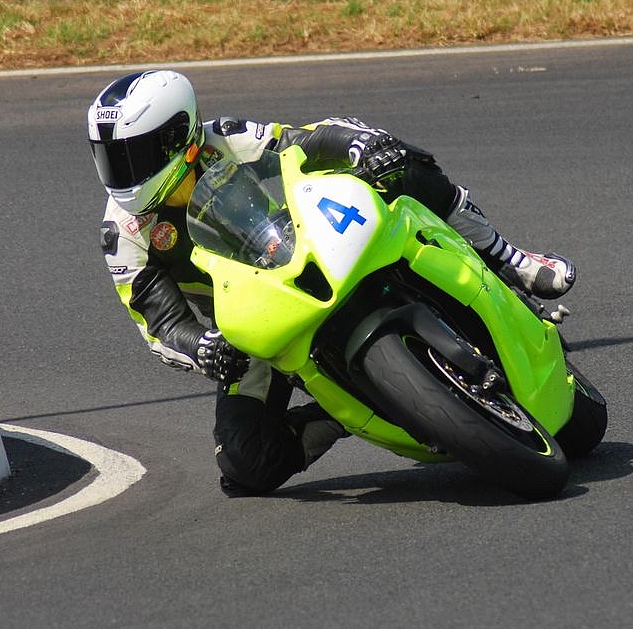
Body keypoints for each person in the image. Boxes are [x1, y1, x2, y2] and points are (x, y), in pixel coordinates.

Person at [88, 70, 576, 497]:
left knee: (399, 161)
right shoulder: (123, 235)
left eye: (132, 156)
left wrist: (358, 145)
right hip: (259, 328)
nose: (121, 175)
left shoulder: (230, 138)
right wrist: (203, 348)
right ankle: (343, 413)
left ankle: (510, 258)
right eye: (110, 159)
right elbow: (160, 324)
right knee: (244, 464)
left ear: (180, 137)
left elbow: (309, 139)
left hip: (322, 242)